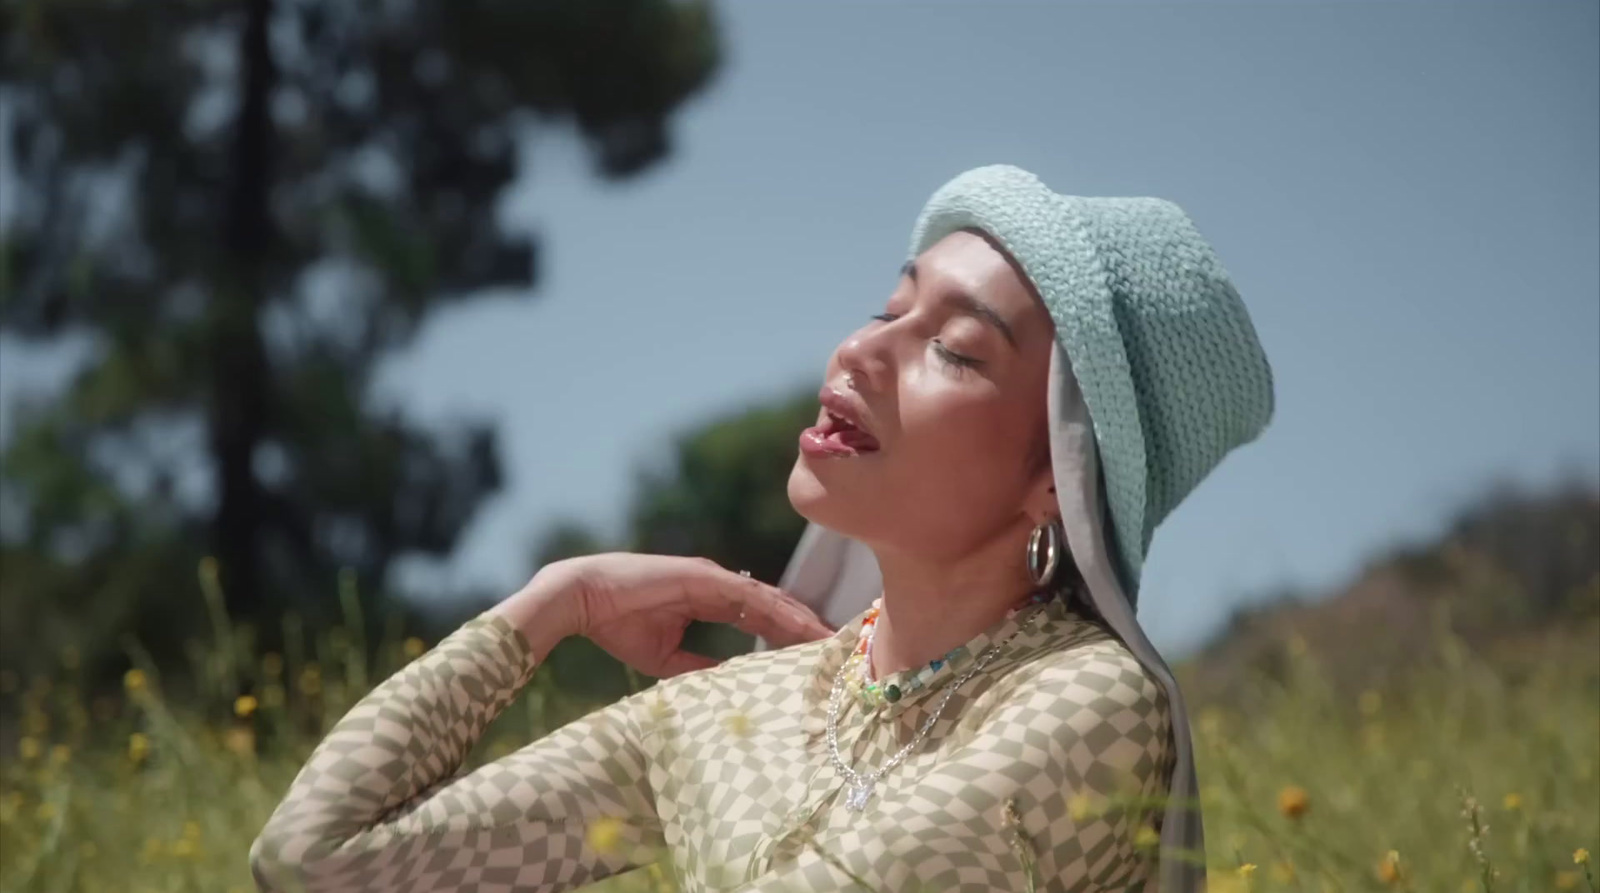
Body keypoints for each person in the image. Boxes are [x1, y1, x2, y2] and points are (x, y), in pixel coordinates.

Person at [249, 164, 1275, 893]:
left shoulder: (1090, 702)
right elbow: (319, 862)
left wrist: (690, 762)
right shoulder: (741, 706)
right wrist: (555, 603)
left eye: (956, 351)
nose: (863, 352)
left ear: (1057, 477)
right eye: (888, 308)